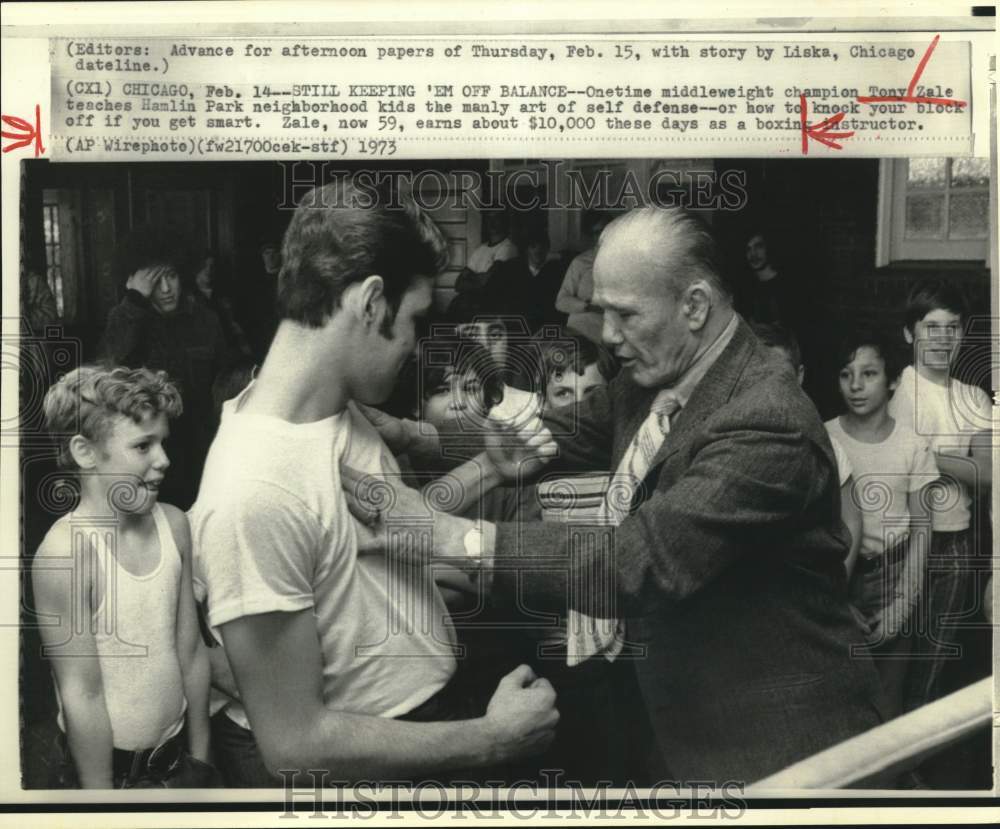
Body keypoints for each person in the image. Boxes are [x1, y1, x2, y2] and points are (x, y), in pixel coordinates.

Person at [350, 206, 891, 785]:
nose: (607, 335)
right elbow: (566, 430)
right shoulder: (658, 373)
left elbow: (636, 562)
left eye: (625, 314)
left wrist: (450, 534)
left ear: (695, 306)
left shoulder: (767, 419)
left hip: (770, 744)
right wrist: (419, 436)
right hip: (674, 720)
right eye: (602, 311)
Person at [188, 181, 557, 787]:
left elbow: (371, 531)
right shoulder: (251, 491)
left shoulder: (330, 407)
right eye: (413, 320)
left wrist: (488, 468)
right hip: (371, 765)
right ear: (370, 302)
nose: (415, 345)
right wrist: (491, 740)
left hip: (424, 716)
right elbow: (295, 742)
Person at [32, 366, 216, 788]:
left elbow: (189, 650)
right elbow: (83, 696)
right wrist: (103, 805)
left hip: (176, 764)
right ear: (85, 452)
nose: (164, 459)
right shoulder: (66, 552)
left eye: (162, 442)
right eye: (142, 446)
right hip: (108, 777)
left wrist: (202, 762)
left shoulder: (174, 525)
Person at [888, 281, 993, 713]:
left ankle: (909, 770)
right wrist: (955, 458)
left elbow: (987, 474)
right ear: (910, 334)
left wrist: (928, 452)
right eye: (932, 327)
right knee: (891, 660)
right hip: (901, 545)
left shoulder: (975, 396)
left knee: (930, 669)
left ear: (963, 333)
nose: (942, 338)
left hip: (955, 545)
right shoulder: (895, 394)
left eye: (952, 327)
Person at [824, 331, 938, 719]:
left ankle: (891, 778)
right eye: (845, 374)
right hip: (839, 575)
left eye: (869, 374)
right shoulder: (823, 437)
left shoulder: (912, 445)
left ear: (892, 380)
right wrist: (835, 597)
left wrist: (902, 606)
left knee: (889, 701)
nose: (855, 386)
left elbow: (923, 530)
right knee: (838, 698)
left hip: (894, 576)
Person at [98, 226, 233, 510]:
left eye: (170, 276)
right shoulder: (125, 319)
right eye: (155, 280)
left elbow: (226, 384)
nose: (166, 289)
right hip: (149, 457)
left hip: (203, 450)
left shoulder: (206, 319)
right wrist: (134, 301)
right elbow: (109, 374)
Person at [752, 322, 862, 578]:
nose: (769, 390)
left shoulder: (825, 444)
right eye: (757, 378)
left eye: (781, 378)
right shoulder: (729, 443)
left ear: (799, 375)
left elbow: (852, 519)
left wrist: (839, 582)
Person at [555, 211, 612, 343]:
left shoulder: (624, 263)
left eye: (606, 230)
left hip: (610, 332)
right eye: (597, 232)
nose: (602, 236)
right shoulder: (581, 262)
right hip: (581, 331)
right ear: (592, 236)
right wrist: (589, 307)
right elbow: (561, 302)